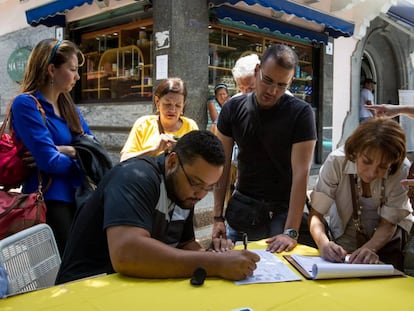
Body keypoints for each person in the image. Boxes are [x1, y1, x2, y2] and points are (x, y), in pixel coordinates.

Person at [55, 130, 259, 284]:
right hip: (86, 287)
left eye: (209, 187)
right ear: (172, 162)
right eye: (196, 183)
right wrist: (215, 264)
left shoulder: (185, 191)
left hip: (133, 285)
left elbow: (185, 244)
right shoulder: (136, 177)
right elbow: (127, 254)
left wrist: (216, 254)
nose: (200, 194)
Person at [211, 44, 317, 253]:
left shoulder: (301, 113)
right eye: (267, 80)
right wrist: (217, 218)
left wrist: (292, 231)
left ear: (291, 82)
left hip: (282, 212)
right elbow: (221, 166)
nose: (272, 91)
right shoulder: (232, 108)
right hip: (243, 209)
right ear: (257, 70)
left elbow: (301, 174)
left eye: (281, 85)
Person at [11, 39, 92, 256]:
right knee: (65, 274)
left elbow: (93, 149)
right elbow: (50, 161)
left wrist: (72, 151)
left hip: (80, 199)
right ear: (51, 70)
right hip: (49, 203)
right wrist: (82, 159)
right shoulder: (25, 104)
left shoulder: (69, 106)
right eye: (73, 70)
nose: (77, 77)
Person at [309, 118, 413, 270]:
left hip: (387, 241)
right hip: (345, 236)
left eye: (383, 166)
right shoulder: (336, 161)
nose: (372, 173)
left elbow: (389, 223)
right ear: (355, 151)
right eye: (366, 161)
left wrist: (370, 249)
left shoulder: (402, 169)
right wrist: (323, 243)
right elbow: (316, 214)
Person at [120, 78, 198, 161]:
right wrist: (154, 150)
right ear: (157, 102)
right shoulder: (143, 124)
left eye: (178, 105)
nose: (172, 109)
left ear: (183, 105)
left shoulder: (191, 126)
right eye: (167, 104)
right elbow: (124, 159)